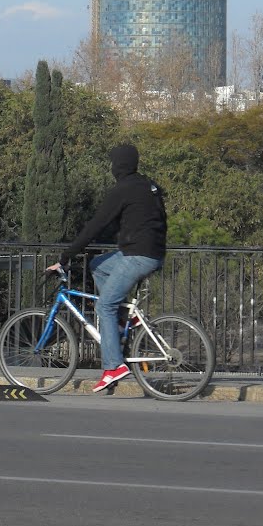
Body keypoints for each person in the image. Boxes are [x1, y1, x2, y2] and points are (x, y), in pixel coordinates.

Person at [46, 143, 167, 393]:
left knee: (104, 306)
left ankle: (113, 366)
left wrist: (66, 257)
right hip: (150, 252)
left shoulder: (122, 190)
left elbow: (95, 225)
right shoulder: (147, 185)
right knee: (98, 265)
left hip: (138, 256)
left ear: (118, 165)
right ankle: (122, 321)